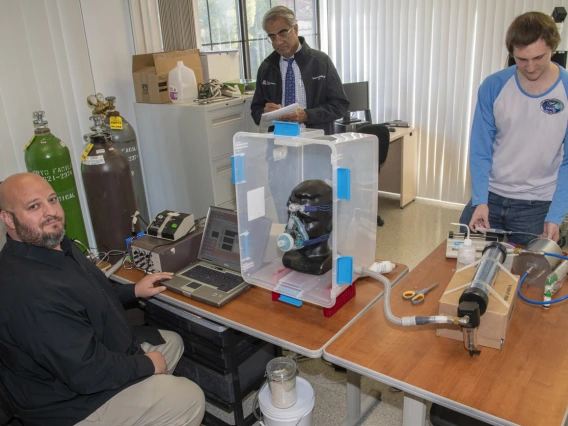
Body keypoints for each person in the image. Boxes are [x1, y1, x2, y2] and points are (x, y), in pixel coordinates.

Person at [0, 173, 205, 426]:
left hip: (85, 359)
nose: (50, 212)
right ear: (8, 218)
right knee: (188, 397)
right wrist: (145, 365)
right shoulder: (29, 293)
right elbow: (86, 373)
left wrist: (133, 291)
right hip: (69, 404)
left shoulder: (56, 245)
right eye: (34, 206)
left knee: (171, 343)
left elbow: (85, 298)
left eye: (52, 200)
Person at [459, 11, 568, 246]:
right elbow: (480, 149)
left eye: (539, 57)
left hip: (537, 206)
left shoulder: (566, 90)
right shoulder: (493, 86)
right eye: (521, 59)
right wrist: (480, 200)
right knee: (460, 261)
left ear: (553, 46)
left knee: (529, 277)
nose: (530, 67)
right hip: (490, 197)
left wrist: (556, 215)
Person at [251, 5, 349, 135]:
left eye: (283, 33)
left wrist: (308, 115)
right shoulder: (266, 67)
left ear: (295, 29)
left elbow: (340, 105)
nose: (278, 42)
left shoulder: (320, 62)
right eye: (272, 37)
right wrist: (265, 113)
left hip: (316, 141)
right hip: (279, 143)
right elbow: (256, 110)